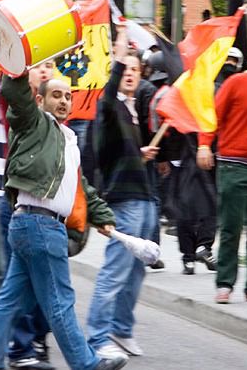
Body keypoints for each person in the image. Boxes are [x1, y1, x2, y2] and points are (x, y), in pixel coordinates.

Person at [0, 59, 125, 370]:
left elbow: (80, 186)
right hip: (40, 225)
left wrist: (102, 216)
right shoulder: (33, 122)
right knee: (60, 301)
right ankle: (86, 364)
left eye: (68, 96)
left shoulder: (68, 140)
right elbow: (14, 92)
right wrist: (16, 61)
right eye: (57, 95)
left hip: (31, 225)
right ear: (39, 100)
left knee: (9, 300)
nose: (64, 101)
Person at [86, 30, 158, 360]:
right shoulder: (109, 105)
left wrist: (139, 153)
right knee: (116, 270)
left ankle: (122, 329)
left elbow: (118, 152)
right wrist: (117, 54)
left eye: (135, 68)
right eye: (124, 68)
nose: (130, 72)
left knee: (137, 269)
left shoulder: (130, 111)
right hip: (124, 200)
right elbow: (108, 94)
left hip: (143, 197)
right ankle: (98, 337)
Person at [0, 56, 56, 369]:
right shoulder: (9, 100)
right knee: (14, 283)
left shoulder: (52, 116)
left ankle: (28, 343)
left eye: (50, 65)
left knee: (36, 281)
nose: (44, 69)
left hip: (44, 207)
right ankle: (21, 347)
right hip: (10, 198)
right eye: (38, 65)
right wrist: (15, 54)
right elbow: (3, 85)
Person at [198, 64, 247, 304]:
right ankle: (224, 283)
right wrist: (204, 144)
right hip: (234, 165)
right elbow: (212, 115)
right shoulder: (236, 82)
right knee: (231, 227)